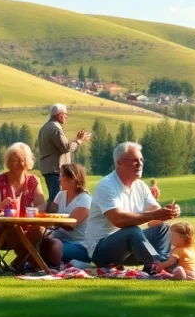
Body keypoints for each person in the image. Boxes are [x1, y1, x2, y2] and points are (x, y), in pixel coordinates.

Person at [85, 142, 179, 271]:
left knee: (162, 228)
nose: (140, 164)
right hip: (102, 251)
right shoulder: (106, 185)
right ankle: (160, 267)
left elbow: (155, 218)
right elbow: (118, 220)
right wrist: (155, 214)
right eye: (134, 161)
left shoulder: (140, 186)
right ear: (119, 163)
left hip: (131, 247)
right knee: (132, 231)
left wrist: (168, 212)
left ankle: (156, 267)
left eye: (141, 160)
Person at [0, 143, 47, 270]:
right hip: (4, 227)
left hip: (28, 227)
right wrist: (1, 205)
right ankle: (33, 261)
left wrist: (34, 210)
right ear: (9, 162)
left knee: (40, 228)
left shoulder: (33, 180)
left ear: (28, 161)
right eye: (15, 160)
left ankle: (16, 264)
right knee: (13, 228)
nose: (19, 164)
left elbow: (42, 204)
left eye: (22, 160)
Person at [40, 164, 92, 267]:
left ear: (72, 178)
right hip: (58, 238)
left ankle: (59, 265)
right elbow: (51, 214)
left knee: (53, 246)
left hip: (79, 244)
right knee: (36, 240)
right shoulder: (61, 195)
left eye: (62, 176)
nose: (59, 179)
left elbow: (70, 225)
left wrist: (52, 220)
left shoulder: (84, 199)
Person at [37, 104, 90, 203]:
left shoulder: (45, 127)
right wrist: (79, 140)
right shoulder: (55, 128)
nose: (66, 116)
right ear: (59, 114)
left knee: (53, 197)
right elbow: (66, 148)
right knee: (56, 199)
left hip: (48, 168)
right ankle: (52, 217)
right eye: (65, 114)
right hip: (56, 169)